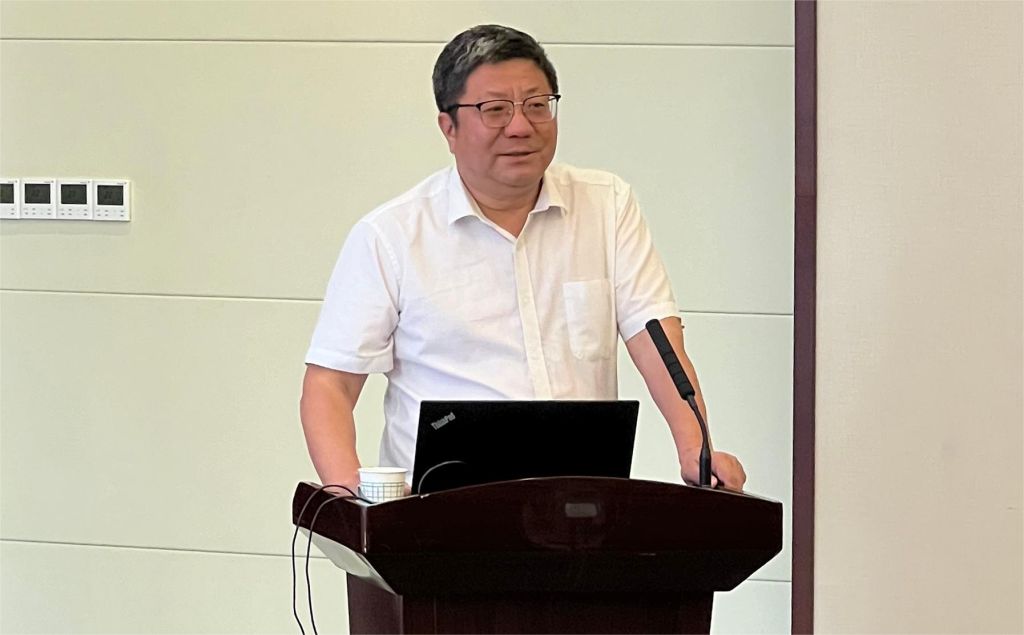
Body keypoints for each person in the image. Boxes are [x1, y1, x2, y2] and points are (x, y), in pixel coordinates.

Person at [300, 24, 746, 496]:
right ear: (448, 128)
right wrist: (349, 498)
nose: (520, 126)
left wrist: (696, 449)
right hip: (437, 514)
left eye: (537, 105)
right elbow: (330, 385)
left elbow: (655, 338)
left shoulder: (606, 205)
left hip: (580, 506)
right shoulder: (391, 236)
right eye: (495, 110)